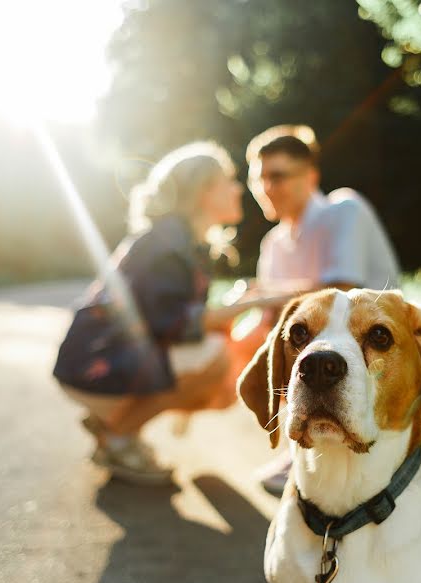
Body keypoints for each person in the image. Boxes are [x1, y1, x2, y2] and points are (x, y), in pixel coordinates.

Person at [53, 141, 285, 485]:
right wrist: (255, 304)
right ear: (204, 192)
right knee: (217, 358)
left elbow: (174, 317)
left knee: (219, 365)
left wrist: (240, 305)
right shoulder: (168, 244)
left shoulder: (176, 240)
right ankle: (116, 434)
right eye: (229, 180)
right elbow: (175, 325)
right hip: (94, 370)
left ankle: (116, 426)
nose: (238, 189)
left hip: (94, 365)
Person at [235, 124, 401, 494]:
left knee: (322, 332)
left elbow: (342, 291)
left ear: (310, 176)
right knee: (247, 346)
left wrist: (263, 294)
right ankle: (300, 442)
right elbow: (268, 320)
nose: (266, 188)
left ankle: (315, 453)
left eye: (277, 176)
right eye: (257, 179)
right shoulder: (273, 243)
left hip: (377, 346)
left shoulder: (343, 209)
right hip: (324, 349)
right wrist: (224, 337)